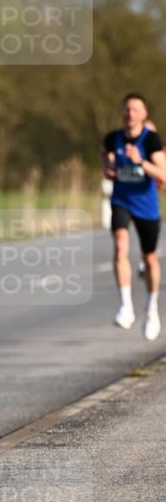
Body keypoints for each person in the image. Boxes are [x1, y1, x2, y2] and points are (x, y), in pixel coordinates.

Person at [102, 94, 166, 340]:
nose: (130, 114)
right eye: (127, 109)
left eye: (135, 110)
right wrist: (108, 169)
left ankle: (151, 310)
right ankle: (126, 306)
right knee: (120, 247)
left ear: (144, 114)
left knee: (149, 259)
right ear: (123, 113)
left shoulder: (151, 140)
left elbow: (163, 174)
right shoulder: (112, 139)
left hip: (147, 206)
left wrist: (141, 162)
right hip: (121, 201)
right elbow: (105, 162)